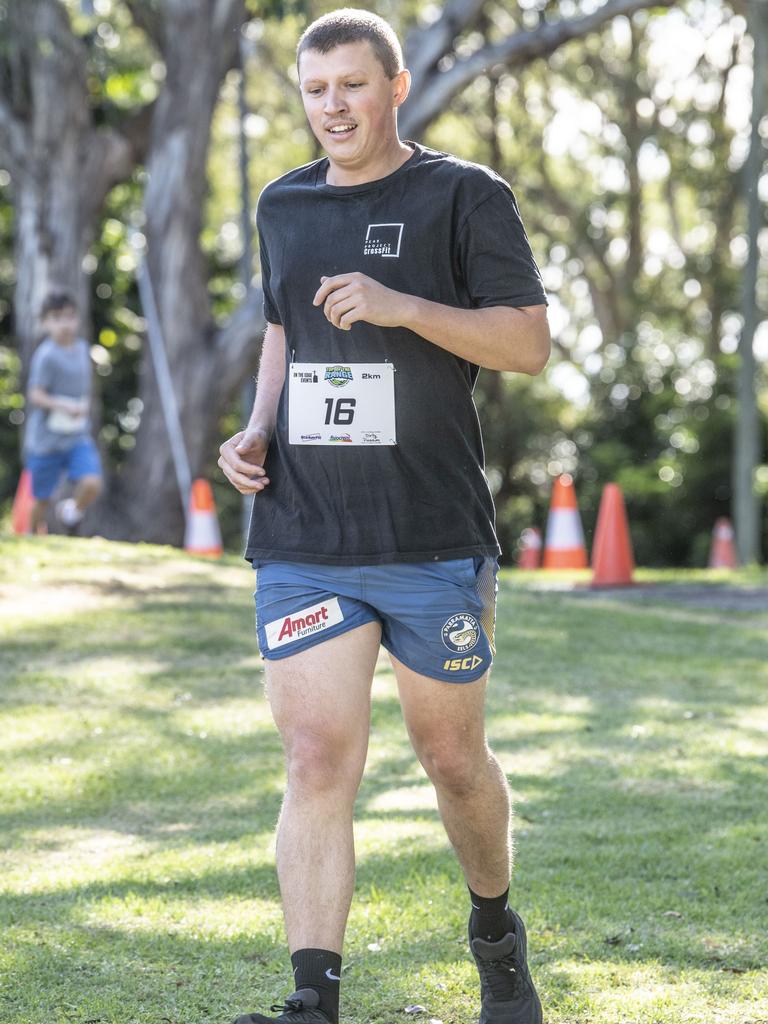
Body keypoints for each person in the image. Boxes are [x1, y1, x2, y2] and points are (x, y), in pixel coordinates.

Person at [218, 10, 550, 1024]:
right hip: (308, 535)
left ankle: (494, 929)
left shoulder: (463, 195)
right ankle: (312, 998)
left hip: (433, 535)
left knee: (452, 759)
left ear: (395, 87)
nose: (332, 108)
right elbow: (284, 331)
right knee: (317, 755)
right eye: (315, 91)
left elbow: (527, 344)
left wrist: (405, 305)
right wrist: (258, 428)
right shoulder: (283, 205)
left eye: (352, 87)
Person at [24, 290, 103, 534]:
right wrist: (63, 406)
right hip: (47, 441)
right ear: (46, 322)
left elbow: (85, 389)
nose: (65, 324)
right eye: (57, 318)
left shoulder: (82, 349)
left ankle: (72, 510)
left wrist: (83, 406)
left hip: (77, 437)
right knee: (42, 499)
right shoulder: (46, 356)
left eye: (69, 317)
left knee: (92, 483)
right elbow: (35, 394)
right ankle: (29, 536)